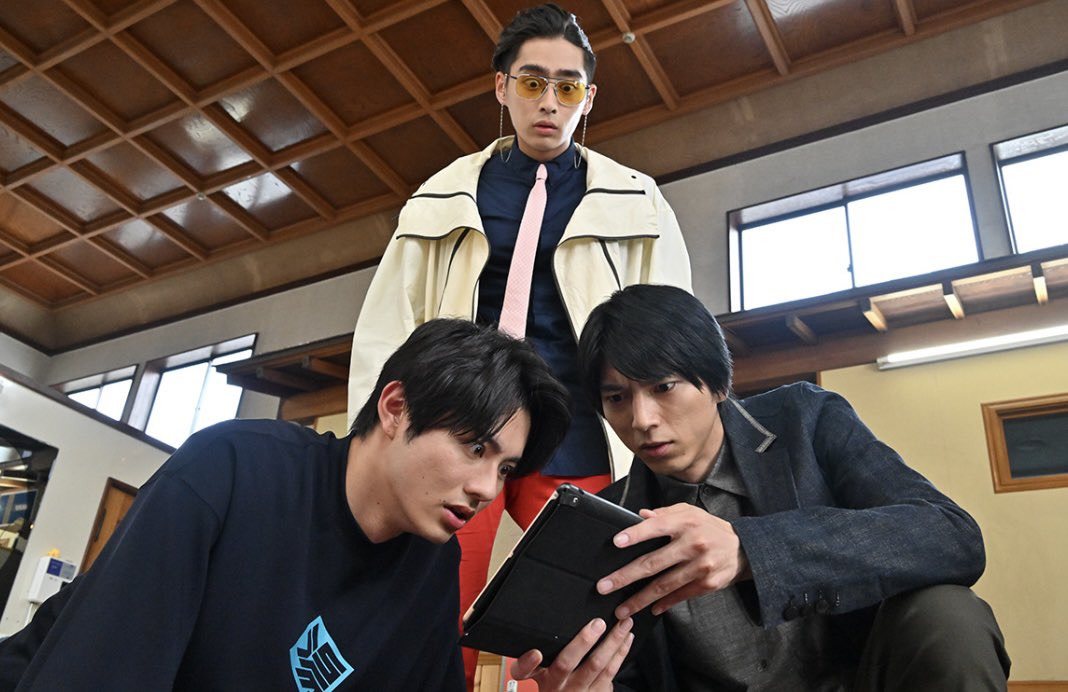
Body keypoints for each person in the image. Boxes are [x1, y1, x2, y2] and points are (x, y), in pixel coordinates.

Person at [345, 3, 691, 685]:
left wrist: (669, 443)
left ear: (588, 97)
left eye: (567, 87)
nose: (549, 103)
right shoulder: (440, 197)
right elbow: (388, 320)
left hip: (580, 436)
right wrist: (371, 434)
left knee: (573, 620)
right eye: (532, 83)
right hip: (459, 428)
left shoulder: (639, 203)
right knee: (430, 601)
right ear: (502, 87)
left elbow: (671, 329)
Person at [0, 319, 634, 691]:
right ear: (396, 408)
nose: (488, 489)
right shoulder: (234, 468)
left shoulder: (429, 564)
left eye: (505, 469)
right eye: (475, 448)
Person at [559, 284, 1011, 691]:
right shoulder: (608, 519)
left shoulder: (806, 421)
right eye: (616, 398)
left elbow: (951, 535)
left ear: (718, 385)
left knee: (948, 614)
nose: (641, 420)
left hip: (860, 679)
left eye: (663, 387)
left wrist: (749, 550)